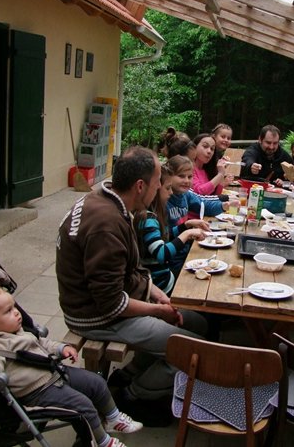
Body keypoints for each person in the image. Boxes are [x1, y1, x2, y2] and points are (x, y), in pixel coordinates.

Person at [55, 146, 208, 426]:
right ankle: (132, 397)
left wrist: (156, 292)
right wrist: (158, 310)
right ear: (140, 186)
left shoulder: (108, 199)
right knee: (193, 351)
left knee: (198, 323)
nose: (160, 187)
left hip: (112, 301)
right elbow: (112, 304)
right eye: (158, 181)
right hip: (95, 316)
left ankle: (127, 374)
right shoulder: (106, 224)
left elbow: (129, 270)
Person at [0, 287, 142, 447]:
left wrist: (61, 348)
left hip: (54, 373)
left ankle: (113, 418)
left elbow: (40, 342)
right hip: (37, 391)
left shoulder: (15, 329)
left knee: (96, 382)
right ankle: (103, 442)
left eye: (14, 307)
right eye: (8, 311)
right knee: (83, 406)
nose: (17, 312)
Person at [137, 163, 207, 293]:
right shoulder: (148, 219)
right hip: (162, 288)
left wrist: (186, 226)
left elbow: (164, 236)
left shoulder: (154, 214)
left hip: (167, 280)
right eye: (168, 188)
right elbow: (162, 254)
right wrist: (187, 234)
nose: (171, 192)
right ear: (156, 189)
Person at [165, 155, 234, 272]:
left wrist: (223, 206)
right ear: (169, 177)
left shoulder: (186, 195)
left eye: (190, 176)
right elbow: (166, 236)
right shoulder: (164, 200)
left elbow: (203, 204)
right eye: (181, 176)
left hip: (186, 250)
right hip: (172, 258)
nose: (186, 181)